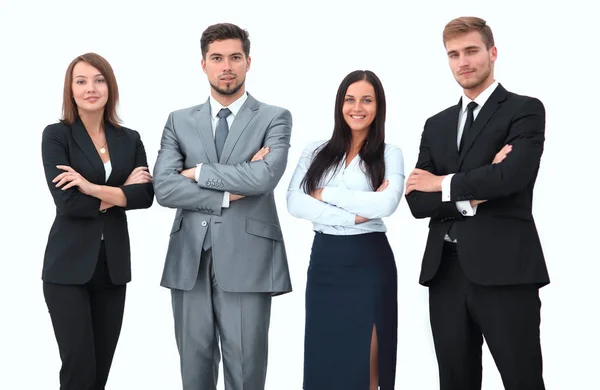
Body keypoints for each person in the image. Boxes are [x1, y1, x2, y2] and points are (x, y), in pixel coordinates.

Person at [404, 16, 549, 390]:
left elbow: (512, 178)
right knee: (455, 382)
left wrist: (443, 183)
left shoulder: (524, 109)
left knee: (522, 380)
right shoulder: (436, 124)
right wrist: (473, 193)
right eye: (454, 54)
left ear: (492, 52)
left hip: (507, 272)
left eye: (471, 51)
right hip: (446, 273)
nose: (462, 62)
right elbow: (419, 201)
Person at [152, 22, 293, 390]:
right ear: (204, 65)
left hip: (250, 258)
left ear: (248, 61)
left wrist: (196, 171)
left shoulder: (275, 117)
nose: (226, 66)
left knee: (246, 372)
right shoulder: (178, 120)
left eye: (234, 57)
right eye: (217, 58)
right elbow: (164, 188)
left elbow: (264, 179)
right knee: (193, 373)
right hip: (188, 260)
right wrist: (229, 191)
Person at [41, 52, 154, 389]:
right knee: (79, 371)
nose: (91, 88)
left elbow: (145, 197)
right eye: (81, 81)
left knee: (99, 374)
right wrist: (119, 193)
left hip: (113, 268)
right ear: (71, 90)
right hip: (67, 270)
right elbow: (69, 203)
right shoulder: (57, 136)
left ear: (110, 86)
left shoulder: (129, 138)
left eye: (99, 79)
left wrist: (91, 187)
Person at [287, 70, 404, 390]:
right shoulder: (315, 151)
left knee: (366, 366)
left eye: (367, 100)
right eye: (350, 99)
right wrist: (354, 215)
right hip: (326, 261)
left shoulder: (389, 153)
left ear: (378, 106)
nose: (358, 107)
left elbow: (386, 205)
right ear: (340, 105)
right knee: (325, 359)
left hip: (369, 261)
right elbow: (294, 202)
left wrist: (325, 195)